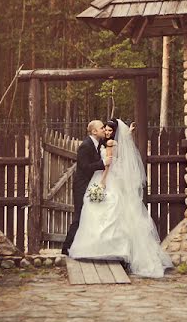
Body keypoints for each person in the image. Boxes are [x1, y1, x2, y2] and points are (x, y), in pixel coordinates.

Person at [68, 118, 173, 278]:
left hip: (105, 178)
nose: (106, 131)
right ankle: (80, 247)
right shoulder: (96, 144)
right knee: (93, 214)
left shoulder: (109, 144)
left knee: (108, 211)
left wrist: (102, 180)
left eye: (109, 129)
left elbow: (109, 164)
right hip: (97, 179)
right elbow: (96, 164)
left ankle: (106, 249)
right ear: (96, 131)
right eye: (104, 129)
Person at [61, 120, 110, 255]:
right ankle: (66, 248)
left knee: (89, 216)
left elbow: (113, 141)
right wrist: (103, 163)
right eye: (101, 128)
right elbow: (85, 167)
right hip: (82, 186)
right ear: (94, 131)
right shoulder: (85, 146)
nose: (104, 130)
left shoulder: (97, 143)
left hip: (90, 185)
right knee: (79, 216)